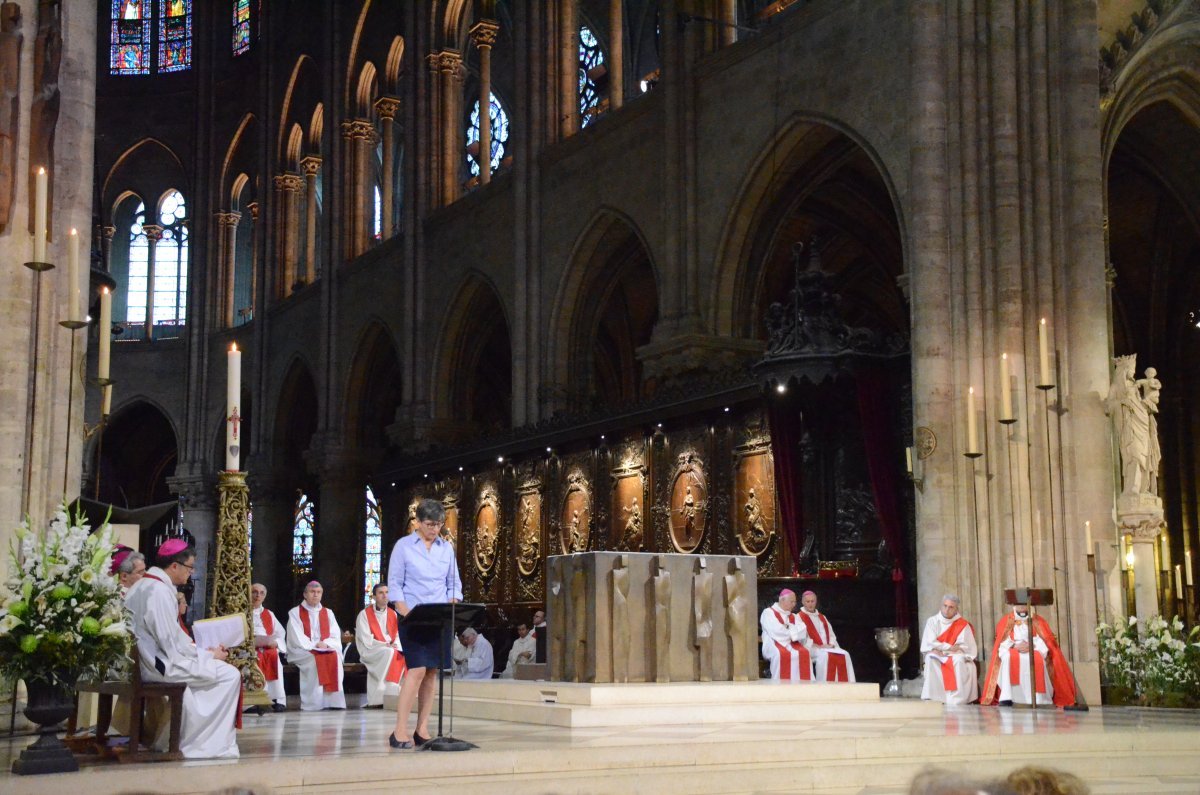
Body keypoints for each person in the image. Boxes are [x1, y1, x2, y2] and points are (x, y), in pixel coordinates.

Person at [124, 539, 241, 759]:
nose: (191, 572)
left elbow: (170, 636)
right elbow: (169, 642)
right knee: (230, 675)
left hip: (148, 660)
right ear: (174, 566)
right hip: (157, 665)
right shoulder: (157, 591)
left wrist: (202, 651)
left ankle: (173, 738)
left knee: (216, 670)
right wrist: (209, 655)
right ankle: (196, 744)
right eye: (189, 567)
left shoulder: (143, 585)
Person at [387, 497, 463, 750]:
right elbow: (395, 585)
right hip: (412, 617)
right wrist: (406, 611)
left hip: (439, 619)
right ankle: (399, 729)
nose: (434, 529)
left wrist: (453, 599)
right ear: (417, 522)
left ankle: (422, 728)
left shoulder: (446, 548)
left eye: (439, 524)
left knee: (432, 672)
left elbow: (454, 583)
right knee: (417, 670)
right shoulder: (403, 547)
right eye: (429, 524)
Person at [981, 604, 1076, 707]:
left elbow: (1045, 641)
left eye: (1023, 603)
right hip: (1013, 648)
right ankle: (1008, 697)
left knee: (1038, 659)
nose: (1021, 606)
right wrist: (1014, 645)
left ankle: (1039, 698)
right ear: (1014, 604)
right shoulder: (1006, 621)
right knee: (1008, 657)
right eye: (1019, 603)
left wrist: (1032, 645)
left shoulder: (1038, 621)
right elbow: (1001, 643)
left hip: (1034, 649)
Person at [286, 581, 346, 711]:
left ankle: (333, 702)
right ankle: (314, 702)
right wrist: (315, 645)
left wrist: (326, 644)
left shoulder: (328, 613)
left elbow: (335, 634)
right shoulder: (295, 613)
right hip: (302, 650)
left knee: (334, 656)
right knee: (315, 658)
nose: (315, 595)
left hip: (324, 647)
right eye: (312, 592)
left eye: (318, 592)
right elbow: (296, 637)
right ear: (305, 594)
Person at [920, 593, 979, 704]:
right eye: (945, 606)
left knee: (958, 659)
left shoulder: (962, 624)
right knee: (930, 659)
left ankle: (956, 699)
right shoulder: (932, 621)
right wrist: (942, 649)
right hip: (938, 654)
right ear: (941, 606)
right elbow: (930, 642)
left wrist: (950, 649)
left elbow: (965, 646)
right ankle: (934, 696)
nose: (947, 610)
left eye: (951, 607)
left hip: (955, 654)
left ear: (956, 609)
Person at [356, 583, 406, 708]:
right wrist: (385, 644)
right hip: (371, 649)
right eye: (381, 593)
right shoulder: (364, 614)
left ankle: (390, 696)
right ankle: (377, 698)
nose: (385, 595)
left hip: (388, 648)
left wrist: (395, 645)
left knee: (400, 653)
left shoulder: (393, 614)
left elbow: (397, 635)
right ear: (373, 597)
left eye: (387, 592)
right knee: (390, 653)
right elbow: (365, 638)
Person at [796, 590, 855, 682]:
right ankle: (824, 686)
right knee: (826, 655)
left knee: (844, 654)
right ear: (803, 602)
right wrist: (820, 646)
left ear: (816, 602)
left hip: (826, 647)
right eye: (808, 602)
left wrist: (832, 645)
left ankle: (846, 687)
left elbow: (831, 635)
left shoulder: (822, 617)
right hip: (811, 648)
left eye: (813, 601)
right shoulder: (799, 617)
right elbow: (802, 639)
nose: (810, 604)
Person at [759, 588, 812, 681]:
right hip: (773, 645)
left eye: (795, 602)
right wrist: (793, 632)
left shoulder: (793, 616)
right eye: (791, 601)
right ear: (782, 600)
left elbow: (803, 630)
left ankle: (802, 688)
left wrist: (787, 628)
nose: (794, 604)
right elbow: (776, 631)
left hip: (792, 644)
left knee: (805, 653)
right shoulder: (768, 613)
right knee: (780, 654)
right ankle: (780, 688)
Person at [250, 582, 288, 712]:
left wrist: (276, 643)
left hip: (267, 648)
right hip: (250, 649)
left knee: (274, 656)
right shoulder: (242, 613)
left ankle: (277, 699)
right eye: (254, 592)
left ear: (264, 596)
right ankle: (252, 702)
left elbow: (280, 633)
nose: (257, 595)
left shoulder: (269, 614)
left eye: (261, 593)